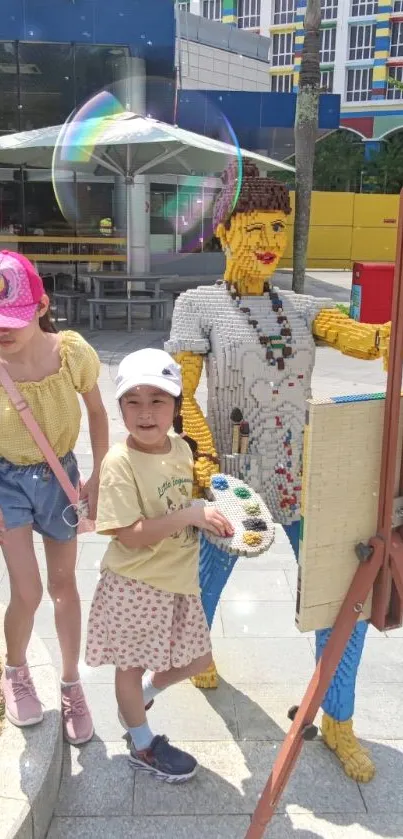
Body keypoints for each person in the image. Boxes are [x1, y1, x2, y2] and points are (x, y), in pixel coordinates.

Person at [166, 159, 388, 783]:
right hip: (232, 480)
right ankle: (194, 654)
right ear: (224, 232)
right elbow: (182, 394)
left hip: (307, 479)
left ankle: (337, 719)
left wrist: (387, 336)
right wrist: (204, 460)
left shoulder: (303, 307)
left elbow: (366, 340)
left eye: (280, 228)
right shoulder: (198, 305)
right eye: (256, 227)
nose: (268, 243)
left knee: (341, 601)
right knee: (203, 584)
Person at [85, 348, 234, 782]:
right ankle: (143, 744)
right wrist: (189, 515)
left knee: (196, 658)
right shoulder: (119, 464)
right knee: (129, 667)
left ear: (175, 405)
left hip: (177, 581)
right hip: (136, 584)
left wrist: (205, 518)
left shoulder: (182, 448)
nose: (146, 412)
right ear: (120, 407)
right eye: (134, 400)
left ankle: (142, 697)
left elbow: (180, 503)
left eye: (158, 400)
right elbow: (128, 533)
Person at [0, 250, 108, 745]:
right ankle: (16, 670)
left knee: (65, 586)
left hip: (61, 478)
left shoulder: (71, 352)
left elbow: (99, 413)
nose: (5, 330)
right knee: (28, 591)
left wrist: (102, 474)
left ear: (41, 306)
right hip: (6, 484)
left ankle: (71, 682)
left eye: (13, 318)